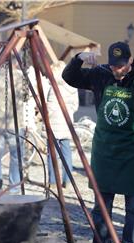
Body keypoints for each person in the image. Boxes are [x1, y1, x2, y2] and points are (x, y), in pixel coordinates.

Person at [62, 41, 134, 243]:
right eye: (114, 66)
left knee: (133, 208)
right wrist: (80, 58)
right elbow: (69, 77)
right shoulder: (100, 75)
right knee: (101, 206)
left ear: (130, 61)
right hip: (105, 152)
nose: (117, 70)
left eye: (121, 66)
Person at [0, 60, 24, 195]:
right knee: (16, 156)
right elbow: (26, 97)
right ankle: (14, 187)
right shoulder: (20, 77)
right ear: (14, 64)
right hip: (16, 123)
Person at [47, 61, 79, 189]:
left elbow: (50, 106)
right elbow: (75, 106)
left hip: (54, 124)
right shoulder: (72, 87)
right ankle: (68, 179)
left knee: (52, 154)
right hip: (67, 123)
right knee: (67, 152)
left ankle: (53, 181)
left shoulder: (53, 87)